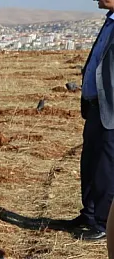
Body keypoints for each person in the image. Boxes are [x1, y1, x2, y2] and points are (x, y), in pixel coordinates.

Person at [49, 0, 114, 242]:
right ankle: (89, 214)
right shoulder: (109, 21)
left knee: (107, 166)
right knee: (90, 162)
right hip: (96, 105)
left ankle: (104, 223)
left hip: (112, 108)